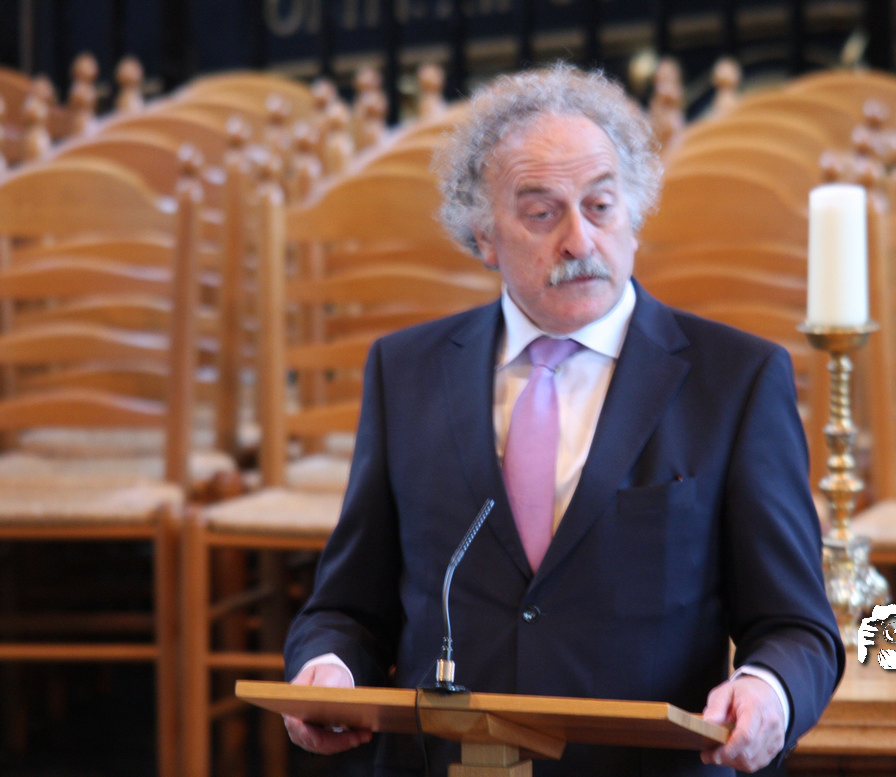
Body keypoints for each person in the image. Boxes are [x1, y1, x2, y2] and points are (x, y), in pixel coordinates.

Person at [282, 62, 844, 776]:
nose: (579, 241)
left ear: (634, 213)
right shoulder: (406, 371)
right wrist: (328, 666)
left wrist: (767, 691)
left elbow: (795, 627)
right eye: (542, 214)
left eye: (600, 205)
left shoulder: (735, 379)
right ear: (483, 236)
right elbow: (349, 608)